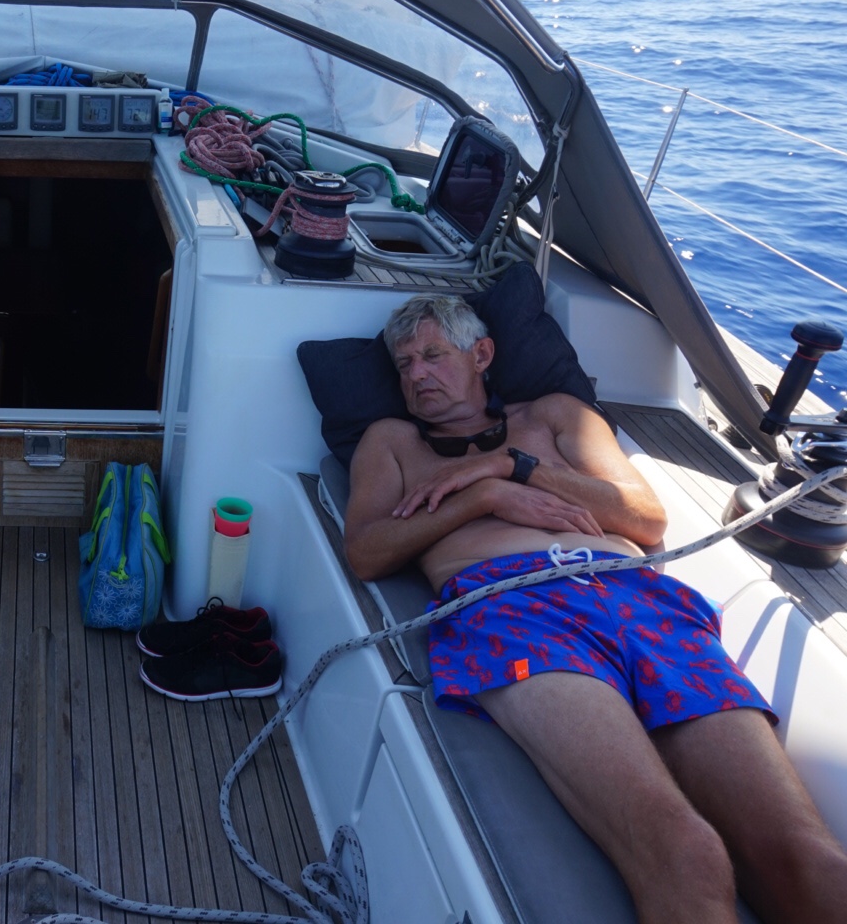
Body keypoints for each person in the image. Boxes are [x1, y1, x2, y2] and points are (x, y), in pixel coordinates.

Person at [341, 293, 847, 924]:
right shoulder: (393, 441)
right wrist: (482, 499)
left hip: (641, 601)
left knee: (816, 866)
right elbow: (366, 551)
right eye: (404, 364)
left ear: (482, 355)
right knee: (685, 853)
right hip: (512, 610)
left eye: (433, 355)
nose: (417, 374)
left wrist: (514, 467)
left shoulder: (555, 415)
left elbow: (645, 517)